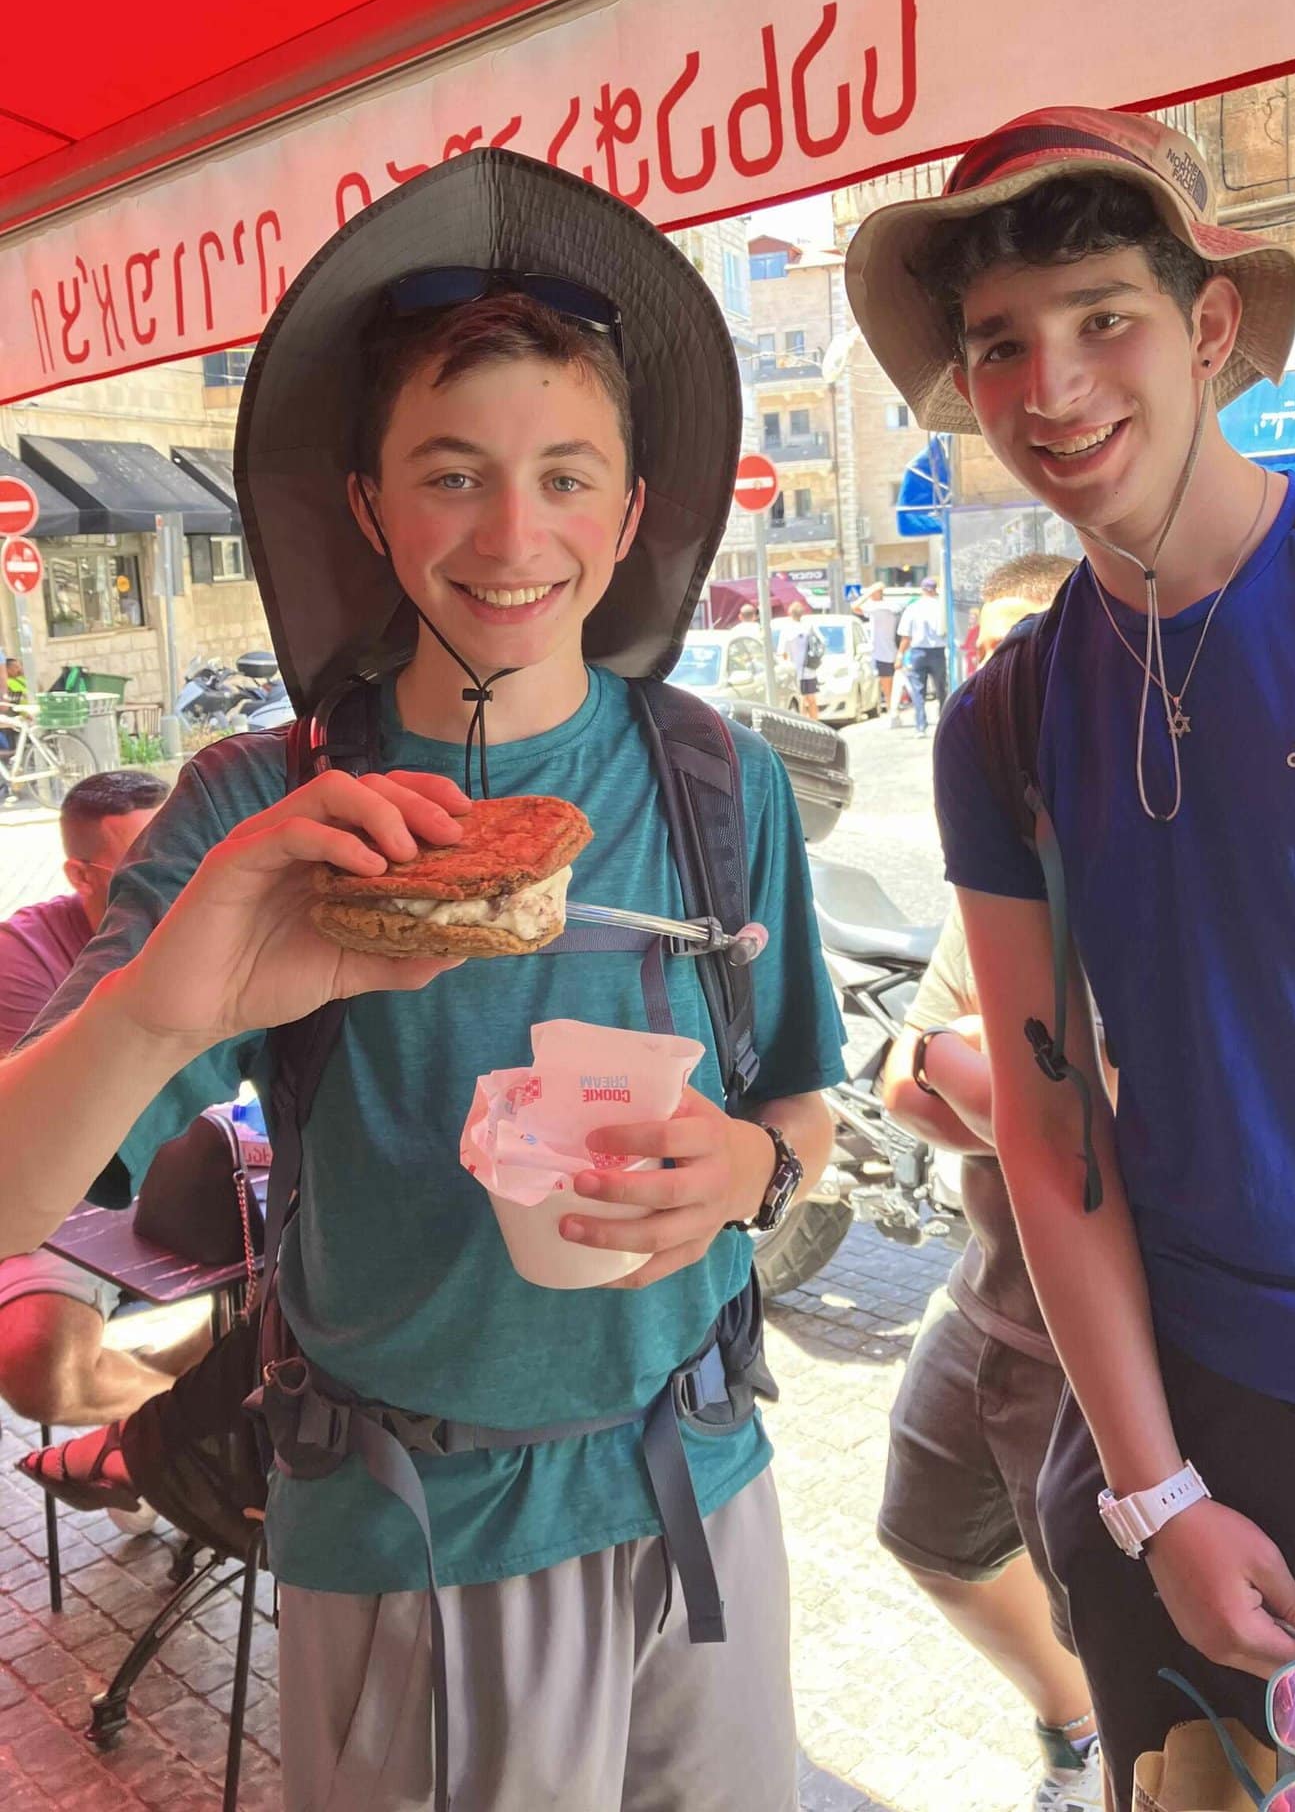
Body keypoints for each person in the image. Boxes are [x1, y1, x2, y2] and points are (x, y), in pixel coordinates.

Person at [0, 149, 843, 1812]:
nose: (512, 533)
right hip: (414, 1529)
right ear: (371, 507)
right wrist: (178, 997)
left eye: (563, 474)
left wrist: (750, 1169)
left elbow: (800, 1102)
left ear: (629, 508)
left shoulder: (708, 779)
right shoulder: (263, 804)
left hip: (701, 1491)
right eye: (450, 473)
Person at [846, 105, 1295, 1808]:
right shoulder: (1003, 719)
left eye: (1100, 318)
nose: (1049, 386)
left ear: (1208, 325)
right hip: (1186, 1437)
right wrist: (1152, 1497)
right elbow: (1052, 1139)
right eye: (998, 343)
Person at [876, 556, 1104, 1812]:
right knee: (926, 1532)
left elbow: (1123, 1132)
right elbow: (909, 1072)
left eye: (1041, 659)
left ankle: (1128, 1747)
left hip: (1106, 1339)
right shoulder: (1000, 860)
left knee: (1133, 1611)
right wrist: (1024, 1097)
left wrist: (989, 1082)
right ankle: (1077, 1722)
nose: (1015, 696)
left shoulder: (1153, 847)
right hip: (989, 1298)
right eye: (993, 663)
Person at [0, 771, 206, 1481]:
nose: (175, 884)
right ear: (81, 877)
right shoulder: (21, 957)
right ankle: (172, 1446)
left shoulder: (209, 925)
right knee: (39, 1365)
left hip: (188, 1180)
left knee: (284, 1305)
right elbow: (52, 1143)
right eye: (144, 867)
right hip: (70, 1201)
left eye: (189, 861)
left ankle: (152, 1452)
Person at [896, 575, 949, 735]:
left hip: (918, 652)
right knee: (941, 688)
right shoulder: (941, 607)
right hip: (938, 652)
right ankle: (943, 720)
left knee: (919, 690)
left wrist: (899, 655)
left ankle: (921, 726)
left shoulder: (913, 608)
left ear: (922, 589)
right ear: (934, 590)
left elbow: (906, 636)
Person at [854, 580, 900, 714]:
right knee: (889, 685)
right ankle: (893, 709)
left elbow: (855, 606)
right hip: (888, 651)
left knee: (887, 686)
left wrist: (867, 594)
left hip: (883, 653)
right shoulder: (886, 607)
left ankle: (892, 710)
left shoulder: (877, 607)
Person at [781, 598, 821, 719]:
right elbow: (820, 644)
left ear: (789, 613)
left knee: (800, 700)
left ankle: (804, 726)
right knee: (812, 699)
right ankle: (817, 725)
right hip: (810, 669)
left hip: (795, 671)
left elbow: (782, 653)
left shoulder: (786, 630)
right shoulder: (809, 627)